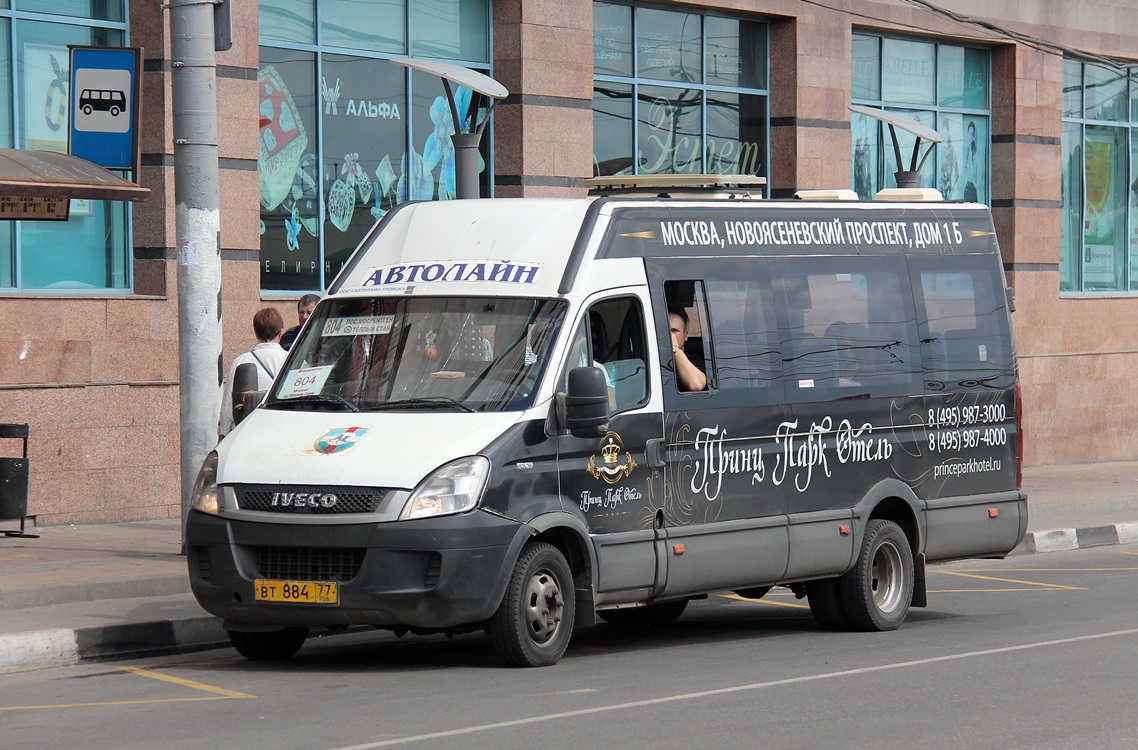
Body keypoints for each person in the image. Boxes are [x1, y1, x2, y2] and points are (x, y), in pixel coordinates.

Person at [219, 307, 289, 439]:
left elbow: (228, 402)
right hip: (282, 431)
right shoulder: (292, 360)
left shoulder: (242, 361)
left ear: (256, 333)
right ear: (281, 333)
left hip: (248, 433)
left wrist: (223, 433)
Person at [668, 307, 707, 392]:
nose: (670, 335)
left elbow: (696, 385)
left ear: (685, 335)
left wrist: (675, 349)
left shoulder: (695, 362)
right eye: (665, 331)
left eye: (674, 330)